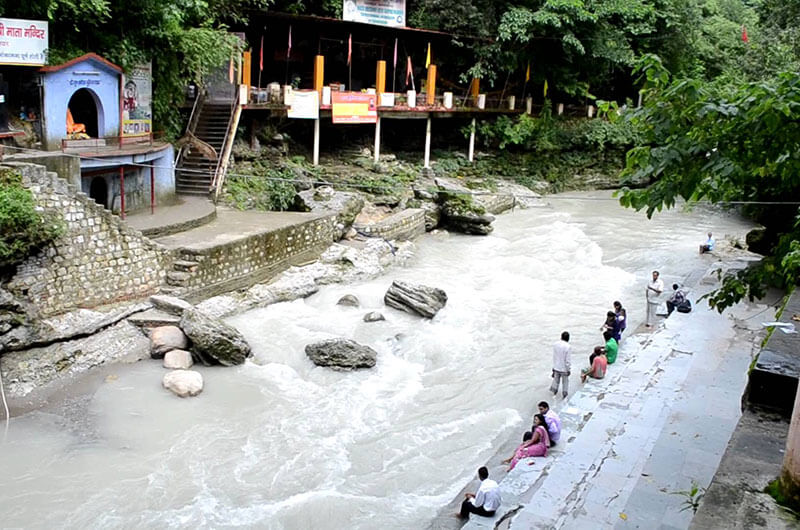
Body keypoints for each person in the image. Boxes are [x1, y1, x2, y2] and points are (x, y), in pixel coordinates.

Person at [550, 331, 571, 399]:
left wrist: (553, 367)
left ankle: (554, 394)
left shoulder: (555, 344)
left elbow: (554, 356)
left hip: (556, 366)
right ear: (568, 338)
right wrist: (568, 369)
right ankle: (564, 396)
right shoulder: (568, 346)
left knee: (556, 380)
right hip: (564, 368)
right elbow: (567, 360)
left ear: (561, 337)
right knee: (565, 382)